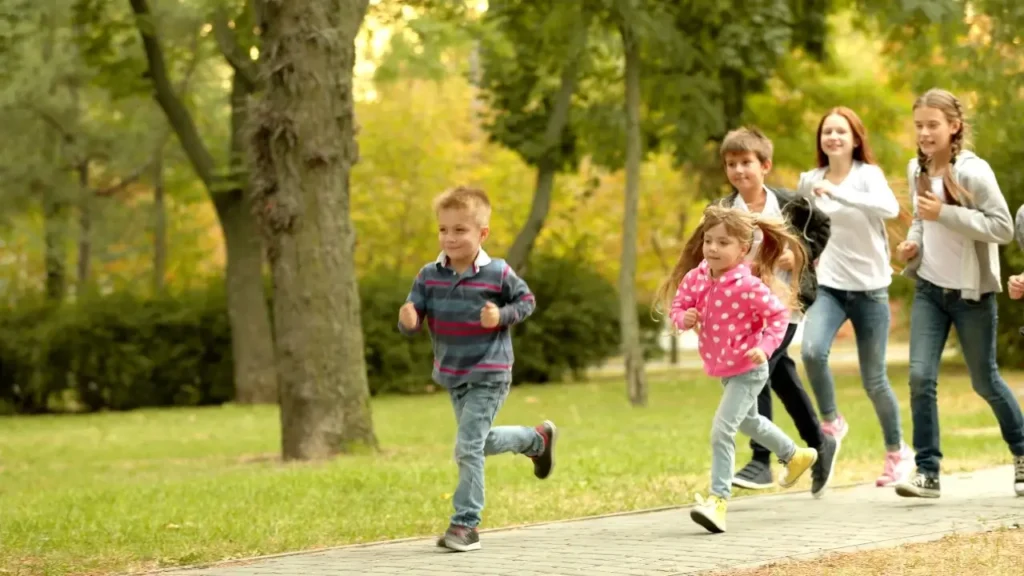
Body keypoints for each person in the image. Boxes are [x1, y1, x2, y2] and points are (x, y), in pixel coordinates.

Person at [398, 186, 558, 550]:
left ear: (482, 233)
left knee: (467, 447)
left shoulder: (498, 272)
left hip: (490, 371)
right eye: (443, 230)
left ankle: (465, 524)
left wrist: (501, 315)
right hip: (453, 374)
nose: (450, 237)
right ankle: (536, 440)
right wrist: (408, 319)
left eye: (460, 230)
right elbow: (413, 314)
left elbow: (527, 302)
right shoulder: (428, 275)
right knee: (476, 443)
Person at [656, 204, 819, 533]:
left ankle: (717, 501)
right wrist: (682, 318)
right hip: (724, 369)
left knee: (722, 431)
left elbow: (777, 317)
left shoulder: (749, 286)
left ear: (743, 249)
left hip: (749, 368)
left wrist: (765, 347)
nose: (713, 248)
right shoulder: (696, 277)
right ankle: (795, 455)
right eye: (709, 240)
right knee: (750, 422)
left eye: (723, 243)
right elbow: (679, 305)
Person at [893, 88, 1024, 498]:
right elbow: (920, 219)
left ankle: (1022, 454)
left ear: (954, 127)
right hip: (930, 290)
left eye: (933, 125)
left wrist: (945, 213)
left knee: (985, 382)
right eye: (919, 126)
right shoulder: (918, 169)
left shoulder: (973, 172)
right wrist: (913, 242)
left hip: (971, 295)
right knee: (919, 377)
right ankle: (927, 472)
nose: (925, 133)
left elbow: (1002, 227)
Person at [717, 127, 838, 498]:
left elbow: (822, 226)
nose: (739, 171)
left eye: (746, 163)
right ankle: (820, 442)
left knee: (755, 370)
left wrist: (799, 252)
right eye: (732, 164)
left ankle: (760, 460)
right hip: (744, 311)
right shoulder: (725, 210)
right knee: (780, 375)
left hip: (783, 307)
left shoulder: (787, 203)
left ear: (765, 165)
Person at [796, 107, 913, 488]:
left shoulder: (869, 176)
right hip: (829, 286)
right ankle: (831, 421)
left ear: (855, 139)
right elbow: (797, 224)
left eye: (841, 132)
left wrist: (839, 193)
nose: (833, 137)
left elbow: (890, 209)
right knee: (812, 351)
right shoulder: (809, 180)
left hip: (871, 290)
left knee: (874, 380)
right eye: (827, 131)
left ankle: (897, 452)